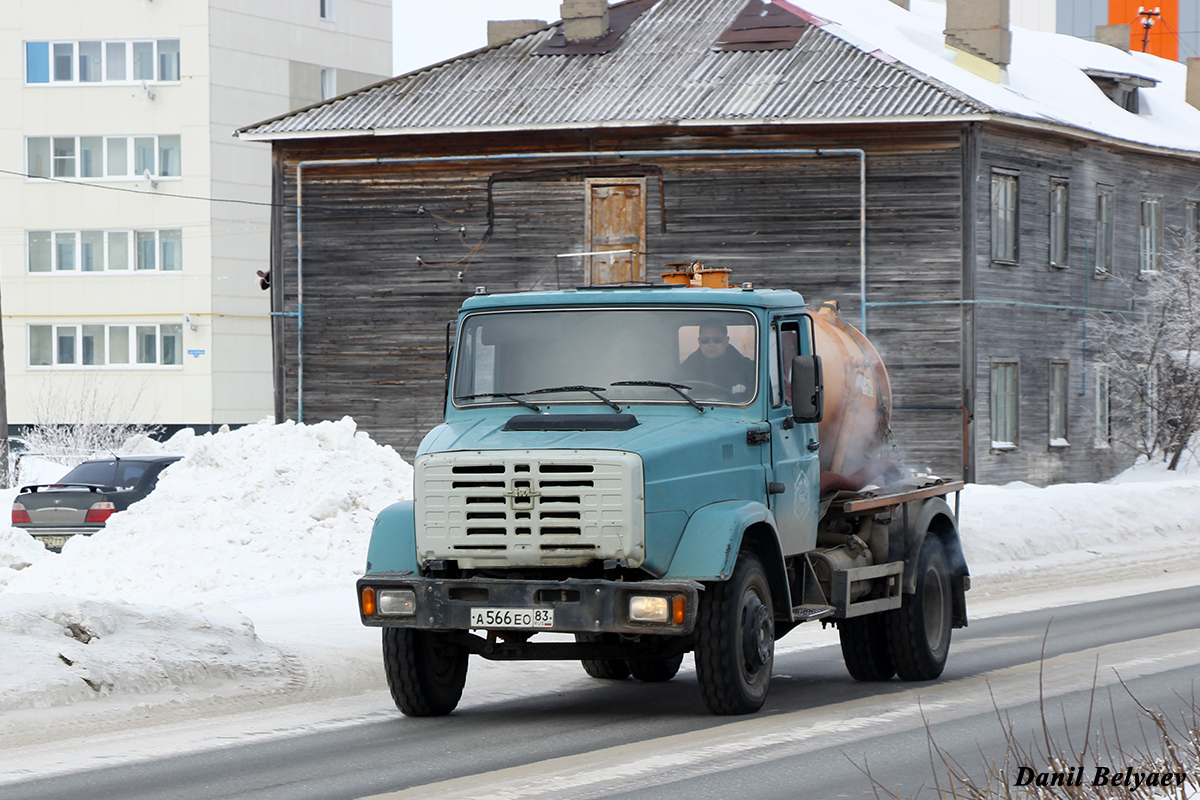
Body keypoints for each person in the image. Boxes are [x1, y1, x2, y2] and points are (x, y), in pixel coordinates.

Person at [679, 319, 755, 398]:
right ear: (699, 341)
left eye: (717, 340)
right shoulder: (689, 365)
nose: (711, 344)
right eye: (705, 340)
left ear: (726, 341)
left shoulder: (745, 366)